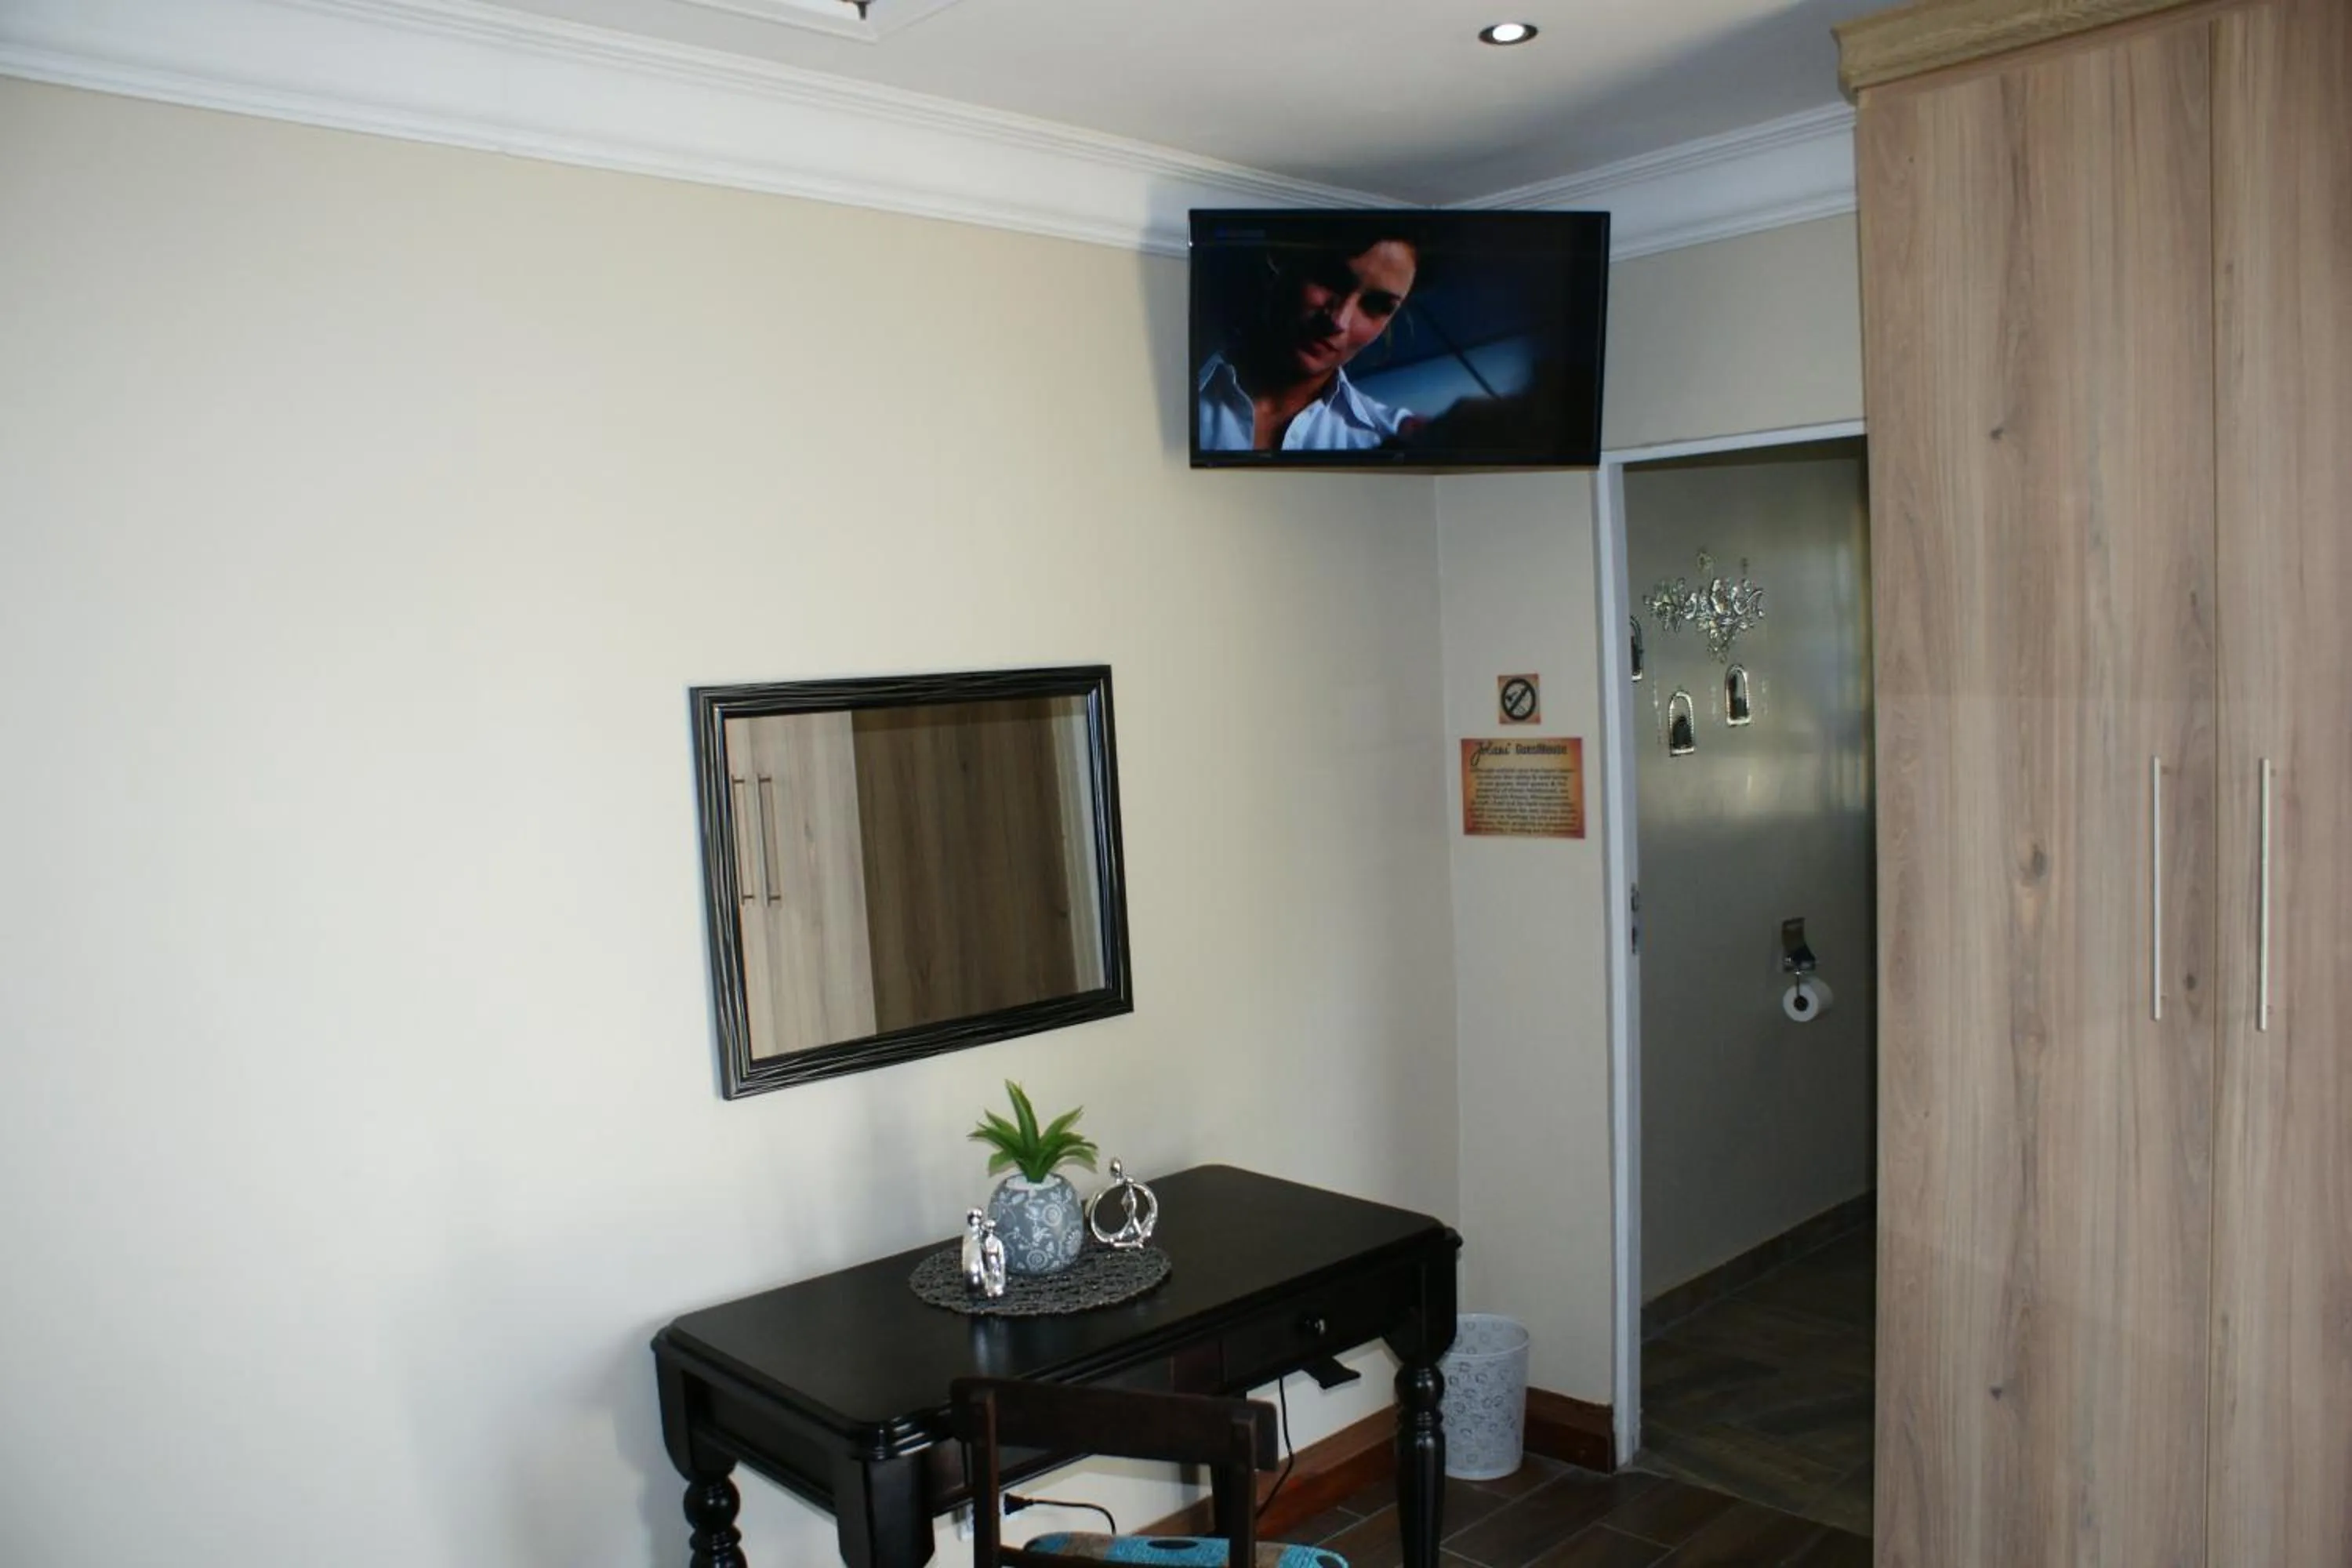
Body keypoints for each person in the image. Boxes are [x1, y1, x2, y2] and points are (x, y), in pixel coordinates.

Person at [1196, 231, 1419, 452]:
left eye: (1378, 305)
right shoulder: (1183, 389)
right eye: (1331, 278)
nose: (1339, 321)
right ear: (1282, 259)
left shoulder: (1389, 440)